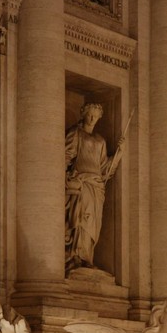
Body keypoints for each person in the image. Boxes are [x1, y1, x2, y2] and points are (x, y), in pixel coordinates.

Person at [64, 103, 125, 272]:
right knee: (81, 219)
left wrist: (119, 153)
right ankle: (75, 255)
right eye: (90, 115)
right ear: (83, 114)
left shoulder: (100, 141)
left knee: (92, 224)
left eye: (95, 116)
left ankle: (86, 256)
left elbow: (105, 169)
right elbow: (65, 156)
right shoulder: (76, 134)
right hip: (81, 183)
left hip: (96, 186)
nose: (92, 119)